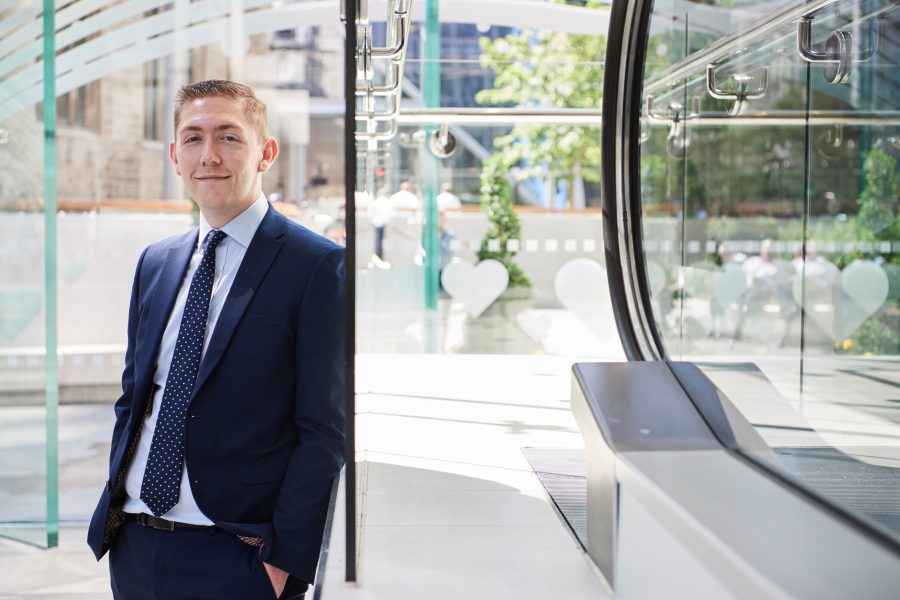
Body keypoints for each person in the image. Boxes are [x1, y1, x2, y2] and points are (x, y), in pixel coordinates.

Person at [86, 80, 345, 600]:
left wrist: (282, 564)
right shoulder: (156, 262)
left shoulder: (316, 265)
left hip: (238, 554)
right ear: (175, 157)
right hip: (136, 544)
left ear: (265, 152)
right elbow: (134, 397)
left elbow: (325, 430)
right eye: (193, 138)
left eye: (229, 137)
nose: (210, 155)